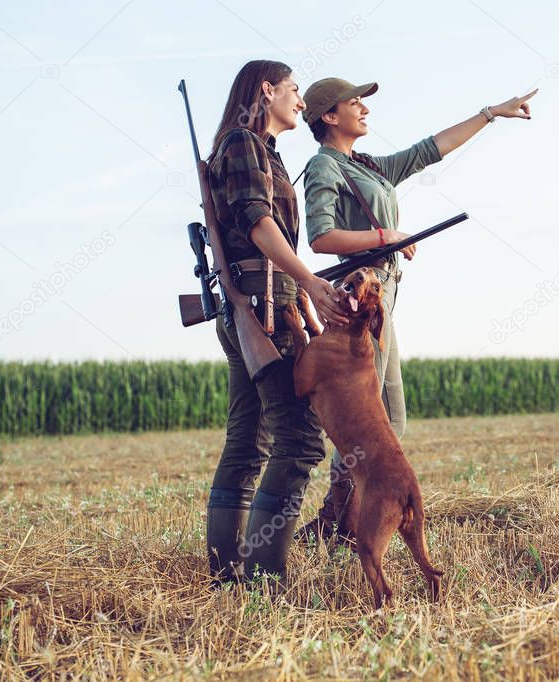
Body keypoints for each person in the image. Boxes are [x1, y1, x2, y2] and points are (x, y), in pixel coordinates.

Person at [294, 76, 537, 541]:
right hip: (362, 294)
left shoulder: (365, 165)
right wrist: (389, 236)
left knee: (393, 418)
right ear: (329, 116)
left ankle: (342, 518)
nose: (364, 110)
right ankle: (338, 520)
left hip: (385, 293)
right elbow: (321, 238)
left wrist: (491, 113)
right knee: (370, 417)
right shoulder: (325, 167)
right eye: (355, 104)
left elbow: (431, 149)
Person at [204, 60, 353, 583]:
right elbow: (261, 227)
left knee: (248, 441)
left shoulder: (261, 152)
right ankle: (265, 579)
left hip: (261, 306)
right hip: (262, 312)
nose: (300, 100)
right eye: (293, 89)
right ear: (267, 91)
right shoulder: (243, 144)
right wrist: (310, 282)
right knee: (301, 440)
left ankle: (228, 575)